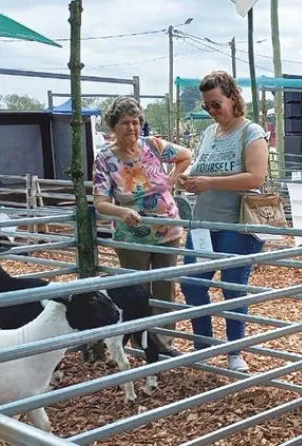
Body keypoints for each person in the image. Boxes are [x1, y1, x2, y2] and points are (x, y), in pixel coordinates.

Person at [176, 71, 269, 372]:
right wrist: (189, 181)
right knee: (192, 283)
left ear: (233, 97)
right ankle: (203, 345)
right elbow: (199, 168)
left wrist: (210, 182)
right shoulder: (208, 134)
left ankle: (234, 350)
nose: (212, 111)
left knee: (232, 286)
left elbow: (256, 177)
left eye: (216, 104)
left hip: (236, 223)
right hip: (203, 221)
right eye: (207, 106)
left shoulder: (251, 132)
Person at [92, 96, 193, 357]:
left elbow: (186, 155)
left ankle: (164, 345)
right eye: (125, 123)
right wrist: (122, 211)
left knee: (165, 287)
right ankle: (143, 342)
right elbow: (101, 201)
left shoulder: (153, 146)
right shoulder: (105, 159)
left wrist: (171, 180)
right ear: (113, 127)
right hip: (132, 236)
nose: (131, 128)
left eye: (135, 122)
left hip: (167, 230)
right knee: (137, 291)